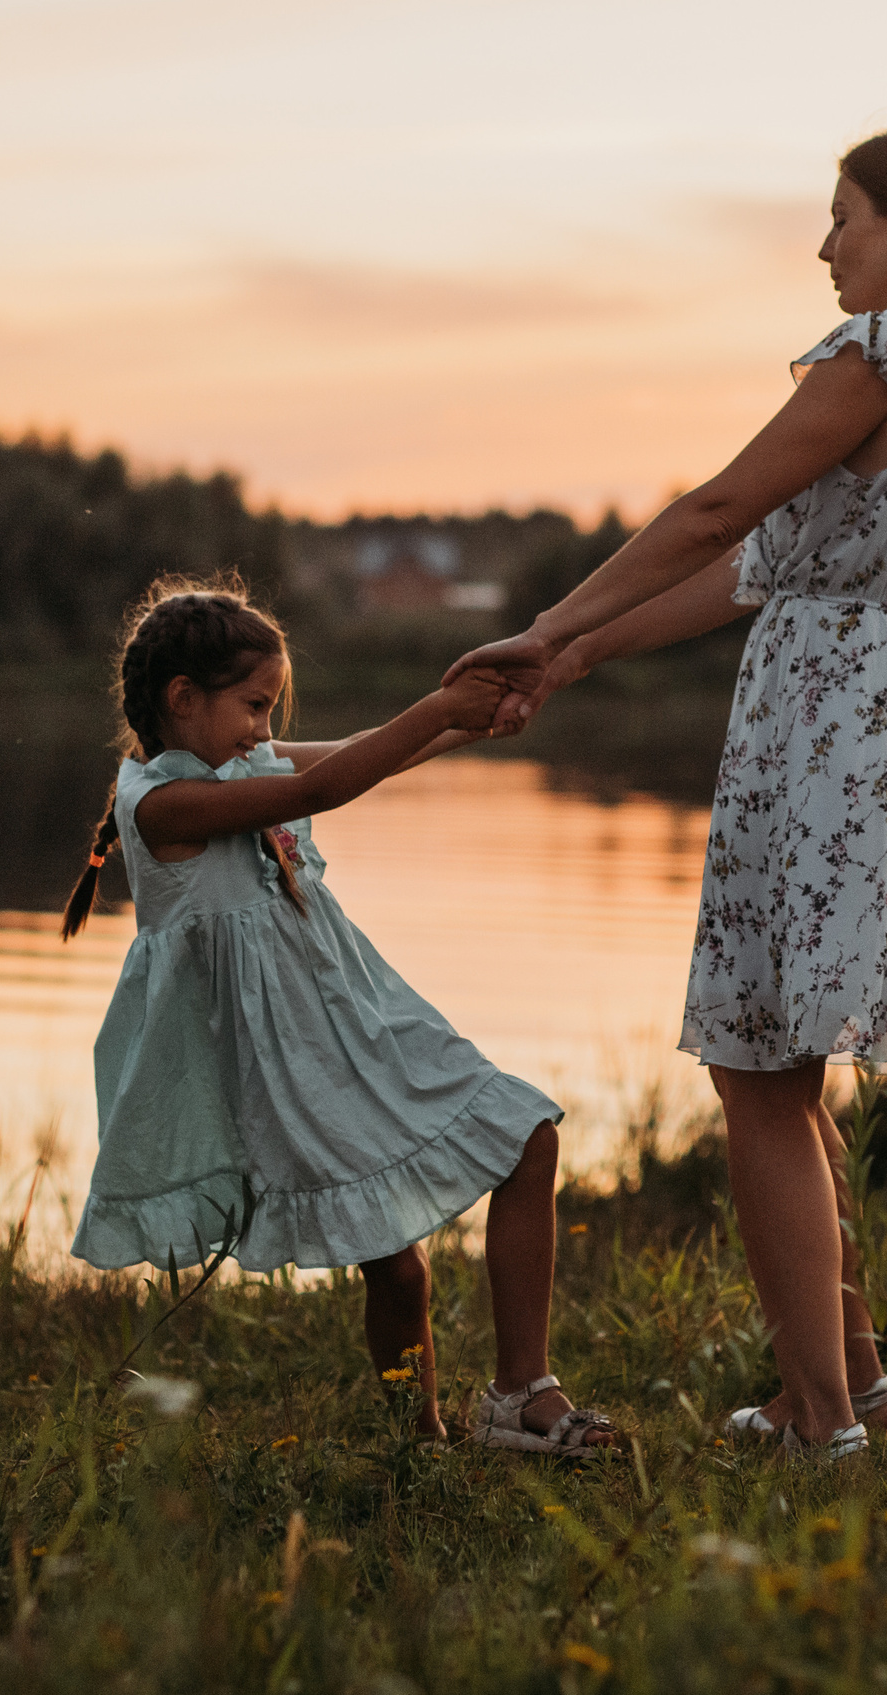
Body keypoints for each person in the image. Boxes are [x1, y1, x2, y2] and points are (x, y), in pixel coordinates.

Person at [448, 124, 887, 1459]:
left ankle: (820, 1422)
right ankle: (852, 1382)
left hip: (822, 730)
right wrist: (578, 656)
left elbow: (714, 513)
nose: (825, 246)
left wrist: (543, 619)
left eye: (842, 216)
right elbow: (753, 567)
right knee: (785, 1064)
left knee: (758, 1066)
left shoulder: (880, 353)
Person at [63, 577, 613, 1456]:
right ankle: (421, 1441)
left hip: (358, 1019)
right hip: (289, 1062)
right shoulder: (161, 804)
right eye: (254, 706)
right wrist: (439, 707)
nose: (264, 729)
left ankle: (521, 1392)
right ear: (183, 699)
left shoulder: (241, 762)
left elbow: (365, 751)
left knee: (527, 1137)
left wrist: (471, 719)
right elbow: (328, 784)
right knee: (395, 1261)